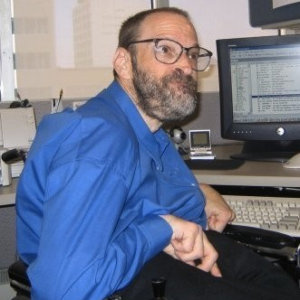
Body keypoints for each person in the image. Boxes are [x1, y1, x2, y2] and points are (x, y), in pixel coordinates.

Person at [16, 7, 300, 300]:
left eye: (191, 54)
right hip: (108, 275)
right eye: (165, 49)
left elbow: (140, 189)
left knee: (278, 284)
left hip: (135, 247)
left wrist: (201, 193)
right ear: (124, 62)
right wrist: (160, 229)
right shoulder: (99, 140)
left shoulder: (144, 128)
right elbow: (65, 290)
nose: (186, 66)